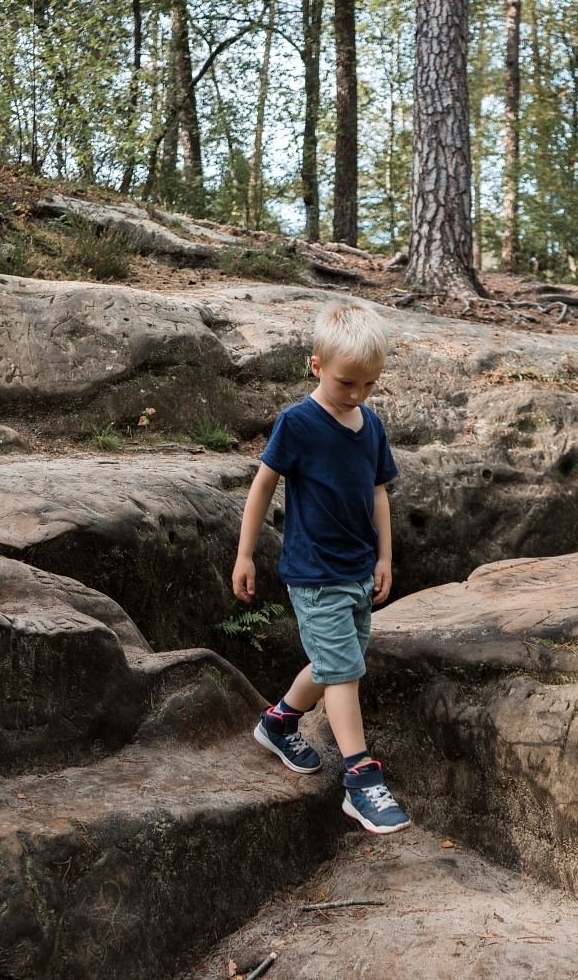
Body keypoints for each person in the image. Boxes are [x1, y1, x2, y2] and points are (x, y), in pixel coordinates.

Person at [231, 302, 410, 834]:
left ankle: (278, 722)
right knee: (346, 672)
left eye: (368, 385)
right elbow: (263, 485)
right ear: (316, 367)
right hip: (315, 574)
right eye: (346, 383)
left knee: (335, 662)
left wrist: (384, 555)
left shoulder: (370, 424)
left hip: (357, 568)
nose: (356, 395)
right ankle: (359, 780)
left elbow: (378, 492)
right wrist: (245, 553)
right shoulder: (299, 422)